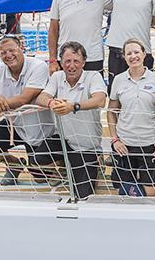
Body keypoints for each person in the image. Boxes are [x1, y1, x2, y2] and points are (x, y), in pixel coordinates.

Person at [0, 36, 54, 185]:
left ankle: (57, 165)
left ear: (22, 48)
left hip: (39, 130)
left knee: (41, 177)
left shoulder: (38, 67)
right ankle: (14, 165)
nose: (8, 55)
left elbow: (23, 99)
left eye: (12, 50)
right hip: (15, 124)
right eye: (3, 53)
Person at [36, 42, 108, 199]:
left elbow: (100, 100)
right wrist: (51, 102)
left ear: (83, 62)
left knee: (84, 194)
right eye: (67, 61)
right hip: (64, 139)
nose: (71, 65)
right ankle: (63, 165)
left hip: (86, 145)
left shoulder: (93, 76)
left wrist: (73, 106)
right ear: (61, 63)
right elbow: (41, 97)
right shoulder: (57, 76)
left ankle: (97, 161)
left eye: (76, 61)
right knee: (38, 157)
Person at [107, 38, 155, 197]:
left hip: (150, 143)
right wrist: (115, 139)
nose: (133, 56)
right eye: (129, 53)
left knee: (151, 193)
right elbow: (111, 111)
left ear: (144, 54)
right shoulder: (119, 80)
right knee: (123, 190)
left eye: (136, 52)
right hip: (125, 144)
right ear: (124, 57)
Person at [47, 0, 113, 75]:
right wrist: (52, 60)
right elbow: (53, 30)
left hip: (93, 58)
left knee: (93, 92)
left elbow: (123, 4)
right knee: (64, 93)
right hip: (65, 58)